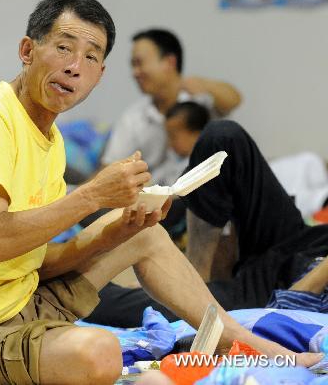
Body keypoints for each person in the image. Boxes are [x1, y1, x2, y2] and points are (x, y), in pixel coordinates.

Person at [0, 0, 321, 385]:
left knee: (142, 231)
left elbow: (30, 262)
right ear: (27, 51)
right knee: (101, 351)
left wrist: (111, 234)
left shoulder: (52, 139)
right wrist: (92, 196)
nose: (75, 67)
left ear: (100, 75)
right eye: (64, 48)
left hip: (19, 301)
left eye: (91, 57)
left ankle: (242, 340)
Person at [86, 120, 328, 328]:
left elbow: (288, 309)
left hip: (282, 290)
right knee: (223, 137)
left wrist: (299, 293)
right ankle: (193, 273)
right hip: (307, 243)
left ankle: (189, 285)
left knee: (104, 304)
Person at [101, 29, 241, 186]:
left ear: (169, 62)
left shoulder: (199, 101)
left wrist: (205, 85)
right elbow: (110, 169)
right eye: (133, 65)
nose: (135, 73)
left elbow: (234, 99)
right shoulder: (133, 117)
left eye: (139, 63)